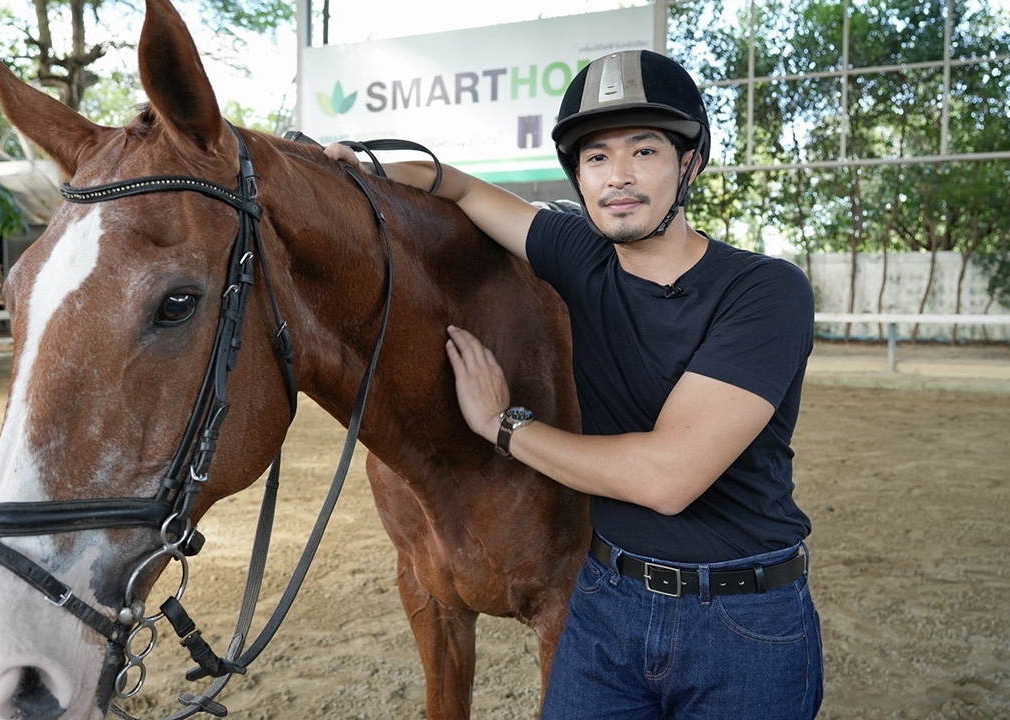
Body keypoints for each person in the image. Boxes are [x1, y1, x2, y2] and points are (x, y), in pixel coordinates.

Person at [325, 49, 822, 720]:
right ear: (578, 176)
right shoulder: (582, 256)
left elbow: (666, 478)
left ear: (690, 164)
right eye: (596, 158)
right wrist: (366, 171)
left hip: (739, 622)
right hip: (606, 609)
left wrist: (504, 426)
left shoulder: (764, 291)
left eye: (644, 152)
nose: (618, 177)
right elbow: (464, 190)